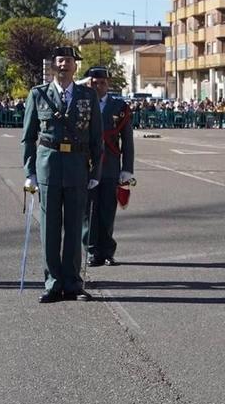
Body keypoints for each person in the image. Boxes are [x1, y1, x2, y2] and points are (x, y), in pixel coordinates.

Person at [20, 46, 97, 302]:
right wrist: (29, 171)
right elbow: (29, 137)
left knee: (75, 229)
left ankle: (73, 283)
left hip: (77, 167)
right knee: (50, 229)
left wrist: (95, 170)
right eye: (60, 61)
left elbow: (96, 137)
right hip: (48, 167)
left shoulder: (88, 96)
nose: (64, 65)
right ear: (53, 65)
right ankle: (53, 283)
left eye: (69, 61)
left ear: (76, 66)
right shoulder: (38, 94)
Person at [79, 67, 137, 269]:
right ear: (89, 83)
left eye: (102, 82)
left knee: (107, 210)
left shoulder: (119, 107)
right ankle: (92, 250)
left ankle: (107, 251)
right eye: (94, 82)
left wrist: (127, 168)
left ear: (108, 84)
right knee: (88, 212)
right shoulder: (81, 103)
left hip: (111, 165)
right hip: (87, 164)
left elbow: (127, 140)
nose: (98, 86)